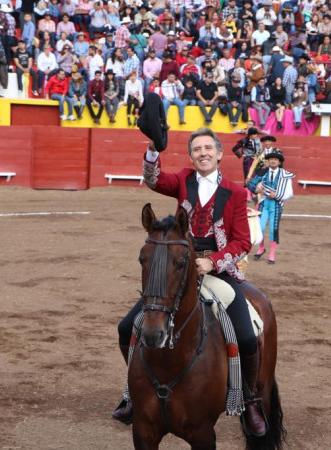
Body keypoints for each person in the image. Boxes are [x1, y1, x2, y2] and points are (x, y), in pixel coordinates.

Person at [115, 127, 267, 437]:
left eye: (208, 148)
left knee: (246, 336)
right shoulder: (184, 180)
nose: (203, 153)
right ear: (191, 156)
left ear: (219, 153)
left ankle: (250, 398)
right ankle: (134, 394)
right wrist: (154, 148)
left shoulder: (236, 192)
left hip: (218, 271)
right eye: (197, 149)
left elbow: (242, 241)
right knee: (126, 327)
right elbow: (154, 180)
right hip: (178, 268)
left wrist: (212, 262)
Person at [247, 151, 294, 264]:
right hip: (264, 203)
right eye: (271, 159)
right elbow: (250, 184)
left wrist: (277, 195)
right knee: (260, 228)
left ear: (279, 162)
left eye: (275, 160)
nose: (273, 161)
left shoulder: (284, 174)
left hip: (276, 205)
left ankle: (272, 254)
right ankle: (261, 248)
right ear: (268, 161)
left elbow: (289, 192)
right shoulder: (263, 172)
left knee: (273, 229)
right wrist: (256, 190)